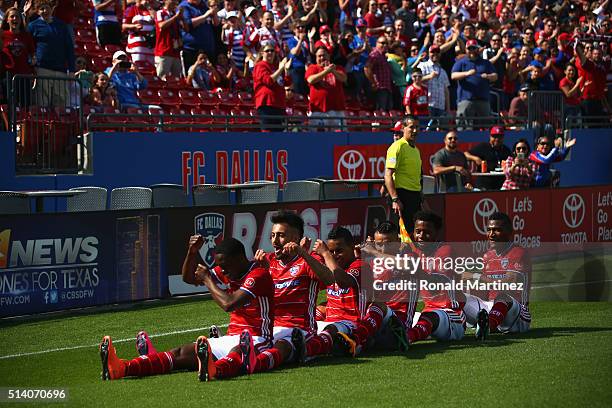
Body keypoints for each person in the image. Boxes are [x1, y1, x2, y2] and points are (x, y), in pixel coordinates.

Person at [99, 237, 275, 381]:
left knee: (237, 352)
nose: (222, 270)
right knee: (179, 353)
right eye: (220, 266)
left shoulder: (258, 274)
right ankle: (122, 368)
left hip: (257, 338)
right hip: (230, 337)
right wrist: (192, 253)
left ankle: (214, 370)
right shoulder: (230, 270)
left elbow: (228, 304)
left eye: (225, 265)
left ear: (239, 259)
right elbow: (189, 278)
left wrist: (208, 280)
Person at [252, 210, 336, 370]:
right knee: (249, 340)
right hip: (270, 328)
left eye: (281, 235)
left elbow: (330, 279)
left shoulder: (308, 261)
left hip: (300, 330)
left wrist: (303, 253)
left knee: (282, 346)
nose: (275, 240)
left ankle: (256, 364)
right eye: (272, 235)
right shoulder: (267, 260)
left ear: (295, 239)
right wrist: (261, 273)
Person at [461, 212, 532, 339]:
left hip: (517, 315)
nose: (491, 234)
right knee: (458, 296)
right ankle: (456, 325)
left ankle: (488, 326)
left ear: (509, 231)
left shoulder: (519, 253)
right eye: (489, 230)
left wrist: (476, 276)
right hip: (492, 307)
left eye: (497, 230)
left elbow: (508, 283)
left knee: (503, 297)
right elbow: (485, 290)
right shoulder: (487, 256)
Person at [402, 211, 466, 345]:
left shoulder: (445, 251)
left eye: (426, 232)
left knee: (428, 318)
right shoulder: (413, 252)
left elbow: (436, 281)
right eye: (417, 231)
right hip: (428, 310)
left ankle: (406, 338)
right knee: (397, 317)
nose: (421, 236)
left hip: (451, 313)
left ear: (437, 233)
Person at [28, 1, 75, 107]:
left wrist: (72, 70)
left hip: (61, 71)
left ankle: (61, 124)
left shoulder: (61, 25)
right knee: (42, 103)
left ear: (52, 8)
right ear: (37, 11)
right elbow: (29, 48)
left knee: (62, 104)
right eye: (41, 9)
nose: (45, 11)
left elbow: (69, 48)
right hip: (42, 69)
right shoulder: (33, 26)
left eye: (47, 8)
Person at [384, 116, 422, 233]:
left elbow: (417, 176)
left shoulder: (416, 150)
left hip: (415, 197)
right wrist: (395, 199)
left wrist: (422, 197)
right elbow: (388, 175)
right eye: (411, 127)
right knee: (403, 235)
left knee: (414, 234)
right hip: (402, 197)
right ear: (403, 128)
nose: (415, 130)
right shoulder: (397, 147)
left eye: (417, 127)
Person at [451, 39, 497, 129]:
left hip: (483, 99)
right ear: (466, 50)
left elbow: (495, 76)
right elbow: (453, 75)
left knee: (486, 127)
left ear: (477, 49)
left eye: (473, 48)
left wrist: (488, 76)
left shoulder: (485, 62)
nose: (471, 50)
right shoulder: (461, 62)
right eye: (469, 48)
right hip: (466, 99)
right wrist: (466, 74)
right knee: (463, 127)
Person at [305, 46, 347, 131]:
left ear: (329, 56)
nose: (322, 58)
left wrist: (332, 70)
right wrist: (326, 71)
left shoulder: (338, 68)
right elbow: (311, 80)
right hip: (318, 110)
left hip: (337, 110)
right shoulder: (313, 68)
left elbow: (343, 78)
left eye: (324, 55)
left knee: (340, 139)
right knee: (318, 138)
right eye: (319, 56)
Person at [1, 7, 35, 107]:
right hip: (8, 77)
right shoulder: (2, 35)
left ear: (21, 20)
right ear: (7, 20)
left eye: (17, 17)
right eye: (12, 16)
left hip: (24, 76)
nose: (15, 19)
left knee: (25, 107)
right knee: (11, 107)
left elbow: (32, 53)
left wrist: (33, 60)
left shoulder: (27, 36)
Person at [253, 44, 289, 131]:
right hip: (267, 104)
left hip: (279, 104)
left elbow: (287, 83)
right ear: (262, 53)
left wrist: (286, 70)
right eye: (267, 51)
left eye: (272, 51)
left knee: (278, 135)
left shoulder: (276, 67)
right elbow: (268, 81)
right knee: (268, 134)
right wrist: (280, 69)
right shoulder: (260, 65)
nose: (270, 52)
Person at [179, 0, 219, 76]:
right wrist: (205, 16)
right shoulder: (184, 6)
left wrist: (214, 13)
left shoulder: (204, 5)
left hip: (208, 49)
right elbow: (188, 25)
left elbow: (216, 24)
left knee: (211, 78)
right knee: (192, 77)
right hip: (191, 50)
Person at [468, 125, 511, 190]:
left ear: (503, 137)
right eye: (494, 136)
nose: (497, 139)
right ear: (490, 136)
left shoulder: (506, 150)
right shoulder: (483, 147)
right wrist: (474, 158)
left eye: (499, 137)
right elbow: (465, 154)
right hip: (484, 184)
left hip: (501, 185)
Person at [575, 42, 610, 123]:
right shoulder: (590, 65)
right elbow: (580, 55)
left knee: (598, 124)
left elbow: (607, 59)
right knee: (588, 124)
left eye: (599, 54)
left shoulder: (605, 65)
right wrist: (578, 45)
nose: (597, 55)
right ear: (591, 55)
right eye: (595, 54)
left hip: (599, 100)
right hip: (588, 100)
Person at [418, 44, 450, 127]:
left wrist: (448, 108)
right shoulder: (423, 65)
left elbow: (446, 90)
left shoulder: (442, 71)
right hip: (428, 104)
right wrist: (429, 76)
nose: (435, 54)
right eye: (433, 52)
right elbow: (414, 81)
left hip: (440, 105)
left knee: (441, 132)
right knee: (427, 130)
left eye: (437, 52)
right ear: (429, 53)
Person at [154, 0, 183, 79]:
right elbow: (161, 25)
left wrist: (181, 17)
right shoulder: (160, 13)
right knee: (162, 77)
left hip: (175, 51)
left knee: (177, 79)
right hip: (164, 51)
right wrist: (176, 17)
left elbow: (184, 28)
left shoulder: (174, 14)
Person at [365, 35, 393, 110]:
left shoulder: (383, 55)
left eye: (386, 43)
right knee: (381, 111)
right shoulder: (375, 54)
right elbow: (367, 68)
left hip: (386, 87)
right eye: (382, 43)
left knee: (388, 111)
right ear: (377, 43)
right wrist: (373, 83)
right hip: (379, 87)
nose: (385, 45)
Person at [123, 0, 155, 65]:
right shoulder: (133, 9)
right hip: (137, 45)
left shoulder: (151, 10)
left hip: (150, 45)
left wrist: (149, 8)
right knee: (139, 66)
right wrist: (134, 26)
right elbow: (123, 26)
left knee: (151, 69)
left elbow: (156, 20)